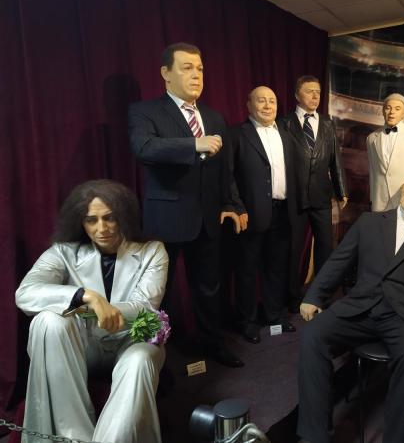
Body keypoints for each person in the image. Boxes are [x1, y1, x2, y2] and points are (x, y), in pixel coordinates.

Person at [15, 179, 168, 443]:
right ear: (80, 222)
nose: (102, 228)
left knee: (140, 360)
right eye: (91, 220)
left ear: (124, 216)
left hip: (131, 341)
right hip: (82, 347)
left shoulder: (152, 251)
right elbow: (26, 293)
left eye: (110, 218)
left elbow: (145, 305)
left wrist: (102, 308)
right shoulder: (63, 252)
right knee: (47, 321)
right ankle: (74, 436)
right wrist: (85, 296)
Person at [297, 170, 404, 443]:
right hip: (360, 308)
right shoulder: (369, 222)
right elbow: (339, 260)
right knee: (311, 336)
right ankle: (313, 435)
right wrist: (314, 296)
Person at [128, 42, 242, 367]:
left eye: (200, 69)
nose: (196, 75)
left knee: (209, 287)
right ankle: (151, 357)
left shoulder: (214, 117)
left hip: (207, 218)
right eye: (187, 68)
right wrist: (194, 144)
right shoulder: (145, 111)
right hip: (167, 217)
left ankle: (213, 343)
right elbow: (144, 147)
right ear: (166, 73)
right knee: (159, 292)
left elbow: (225, 170)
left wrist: (231, 203)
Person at [228, 86, 297, 343]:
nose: (268, 106)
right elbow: (228, 175)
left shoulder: (286, 135)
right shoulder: (237, 134)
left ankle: (274, 315)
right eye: (261, 101)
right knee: (247, 271)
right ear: (249, 105)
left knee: (276, 268)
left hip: (283, 212)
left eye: (272, 101)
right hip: (250, 214)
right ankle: (246, 322)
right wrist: (238, 208)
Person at [281, 75, 348, 312]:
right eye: (309, 91)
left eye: (318, 92)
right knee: (293, 248)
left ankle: (319, 296)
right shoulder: (284, 123)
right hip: (295, 196)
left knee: (325, 247)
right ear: (297, 95)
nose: (315, 96)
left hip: (321, 195)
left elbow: (335, 159)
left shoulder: (327, 123)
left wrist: (341, 189)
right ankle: (291, 297)